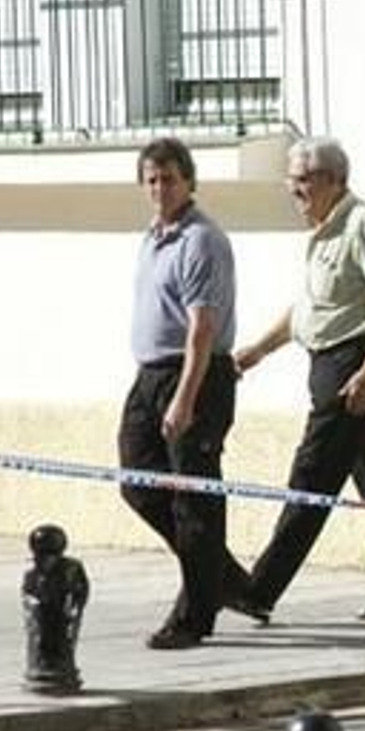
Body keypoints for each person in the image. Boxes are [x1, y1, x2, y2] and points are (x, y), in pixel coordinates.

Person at [235, 136, 365, 620]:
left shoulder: (364, 223)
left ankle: (258, 591)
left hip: (352, 366)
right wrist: (259, 350)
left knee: (311, 478)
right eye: (291, 179)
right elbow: (308, 311)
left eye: (303, 180)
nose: (294, 189)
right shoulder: (323, 233)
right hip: (328, 364)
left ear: (334, 180)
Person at [119, 136, 258, 649]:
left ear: (189, 181)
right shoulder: (154, 236)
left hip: (193, 373)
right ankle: (222, 578)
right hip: (150, 374)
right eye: (151, 180)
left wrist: (185, 398)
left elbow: (203, 327)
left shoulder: (202, 240)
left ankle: (195, 615)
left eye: (169, 179)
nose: (160, 188)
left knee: (194, 498)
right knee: (137, 482)